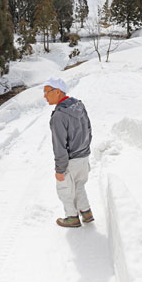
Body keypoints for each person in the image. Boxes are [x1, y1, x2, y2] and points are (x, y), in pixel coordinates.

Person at [43, 78, 94, 228]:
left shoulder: (59, 116)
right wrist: (84, 150)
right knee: (79, 185)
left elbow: (59, 146)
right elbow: (89, 130)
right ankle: (86, 212)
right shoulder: (79, 105)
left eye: (47, 92)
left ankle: (72, 217)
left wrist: (60, 169)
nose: (44, 96)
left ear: (57, 91)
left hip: (70, 161)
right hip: (84, 157)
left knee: (64, 189)